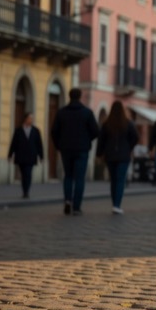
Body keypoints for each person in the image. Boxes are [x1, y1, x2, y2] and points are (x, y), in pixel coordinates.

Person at [50, 88, 100, 216]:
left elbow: (54, 131)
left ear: (69, 96)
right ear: (80, 96)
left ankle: (67, 200)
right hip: (82, 149)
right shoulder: (87, 113)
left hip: (66, 149)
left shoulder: (61, 113)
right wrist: (87, 140)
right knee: (79, 178)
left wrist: (58, 145)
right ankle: (76, 207)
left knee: (68, 176)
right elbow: (95, 131)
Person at [97, 101, 139, 214]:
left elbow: (101, 141)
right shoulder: (127, 123)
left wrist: (99, 154)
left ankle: (114, 203)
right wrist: (129, 147)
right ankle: (117, 204)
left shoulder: (106, 124)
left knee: (113, 180)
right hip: (123, 156)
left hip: (110, 156)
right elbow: (135, 137)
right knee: (120, 180)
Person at [7, 112, 43, 199]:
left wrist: (41, 156)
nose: (32, 120)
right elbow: (14, 143)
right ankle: (24, 190)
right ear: (26, 119)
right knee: (23, 174)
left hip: (31, 156)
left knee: (28, 173)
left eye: (32, 118)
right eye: (30, 118)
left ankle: (26, 191)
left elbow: (39, 144)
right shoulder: (18, 130)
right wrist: (10, 155)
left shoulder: (36, 131)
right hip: (21, 155)